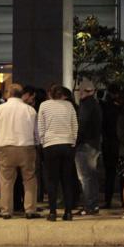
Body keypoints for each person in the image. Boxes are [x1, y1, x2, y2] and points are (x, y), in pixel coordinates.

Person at [0, 82, 39, 219]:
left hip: (5, 147)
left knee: (6, 180)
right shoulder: (30, 110)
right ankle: (29, 209)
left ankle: (6, 210)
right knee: (29, 179)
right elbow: (36, 131)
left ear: (8, 94)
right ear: (21, 94)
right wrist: (37, 143)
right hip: (26, 147)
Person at [38, 84, 80, 221]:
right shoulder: (69, 106)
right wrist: (72, 141)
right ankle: (68, 212)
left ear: (51, 94)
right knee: (67, 180)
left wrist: (44, 142)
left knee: (52, 181)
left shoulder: (44, 105)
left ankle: (52, 212)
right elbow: (75, 125)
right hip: (67, 144)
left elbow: (41, 126)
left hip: (50, 145)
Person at [75, 80, 104, 215]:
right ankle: (93, 204)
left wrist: (77, 140)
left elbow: (83, 124)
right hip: (95, 144)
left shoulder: (86, 104)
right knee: (91, 175)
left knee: (85, 177)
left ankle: (90, 205)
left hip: (86, 144)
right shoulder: (96, 104)